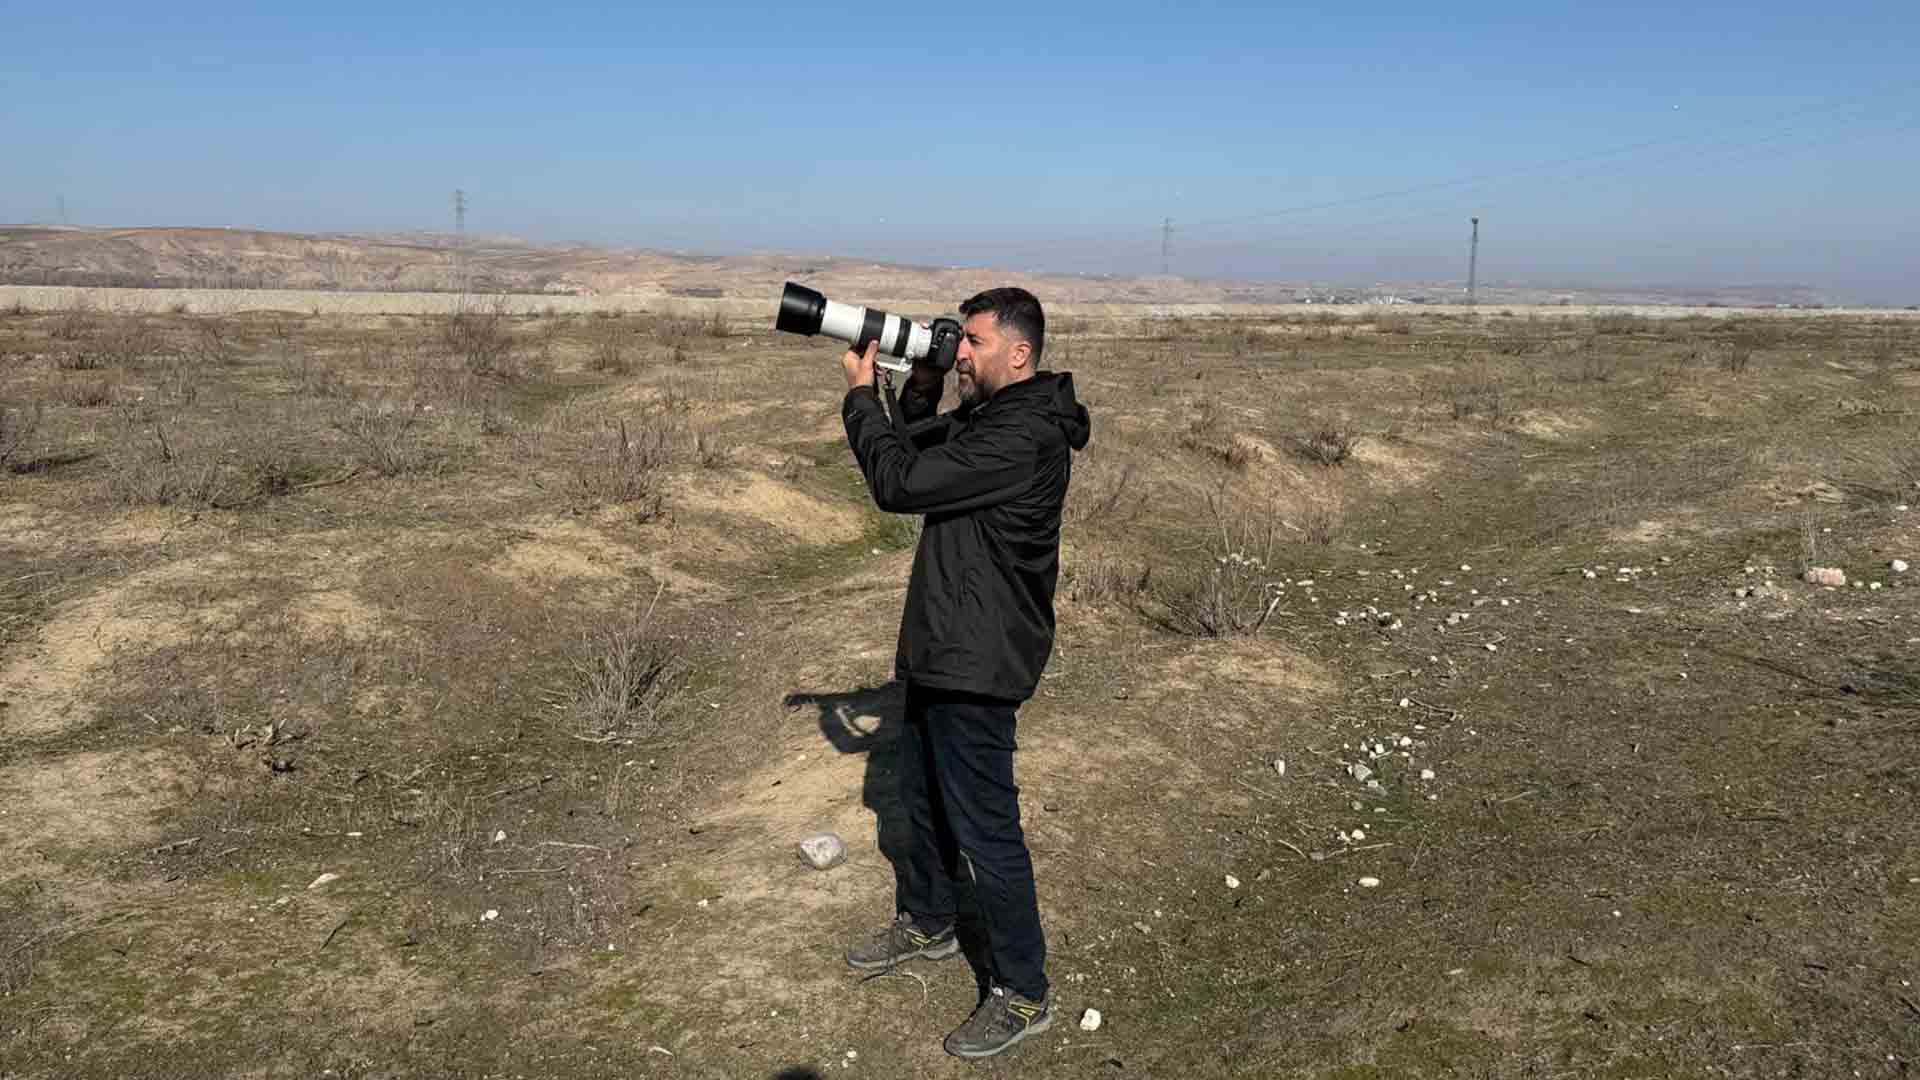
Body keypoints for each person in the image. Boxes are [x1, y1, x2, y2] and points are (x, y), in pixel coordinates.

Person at [836, 286, 1090, 1059]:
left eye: (974, 343)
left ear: (1019, 352)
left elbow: (900, 485)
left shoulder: (1026, 436)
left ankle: (1023, 991)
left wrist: (857, 397)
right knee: (919, 799)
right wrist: (916, 382)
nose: (964, 354)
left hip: (979, 659)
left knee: (987, 829)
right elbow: (918, 445)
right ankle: (931, 919)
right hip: (941, 641)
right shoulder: (994, 417)